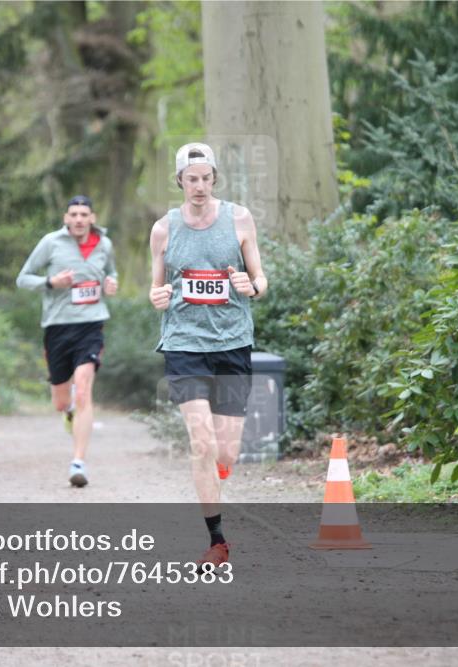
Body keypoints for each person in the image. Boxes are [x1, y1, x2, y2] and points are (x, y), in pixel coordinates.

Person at [148, 142, 268, 566]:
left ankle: (218, 474)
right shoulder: (163, 228)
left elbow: (260, 278)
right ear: (180, 181)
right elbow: (156, 288)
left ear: (214, 178)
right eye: (191, 179)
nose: (199, 186)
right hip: (183, 344)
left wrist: (252, 287)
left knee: (224, 453)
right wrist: (157, 296)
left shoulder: (239, 218)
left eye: (206, 178)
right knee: (202, 443)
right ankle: (217, 542)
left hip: (232, 343)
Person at [17, 195, 118, 487]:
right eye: (73, 214)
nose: (78, 219)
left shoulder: (104, 244)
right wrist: (50, 282)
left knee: (84, 388)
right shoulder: (51, 242)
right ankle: (69, 410)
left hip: (91, 325)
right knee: (61, 402)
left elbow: (111, 272)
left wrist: (111, 283)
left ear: (92, 218)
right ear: (66, 218)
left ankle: (78, 463)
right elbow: (23, 278)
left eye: (84, 214)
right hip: (57, 327)